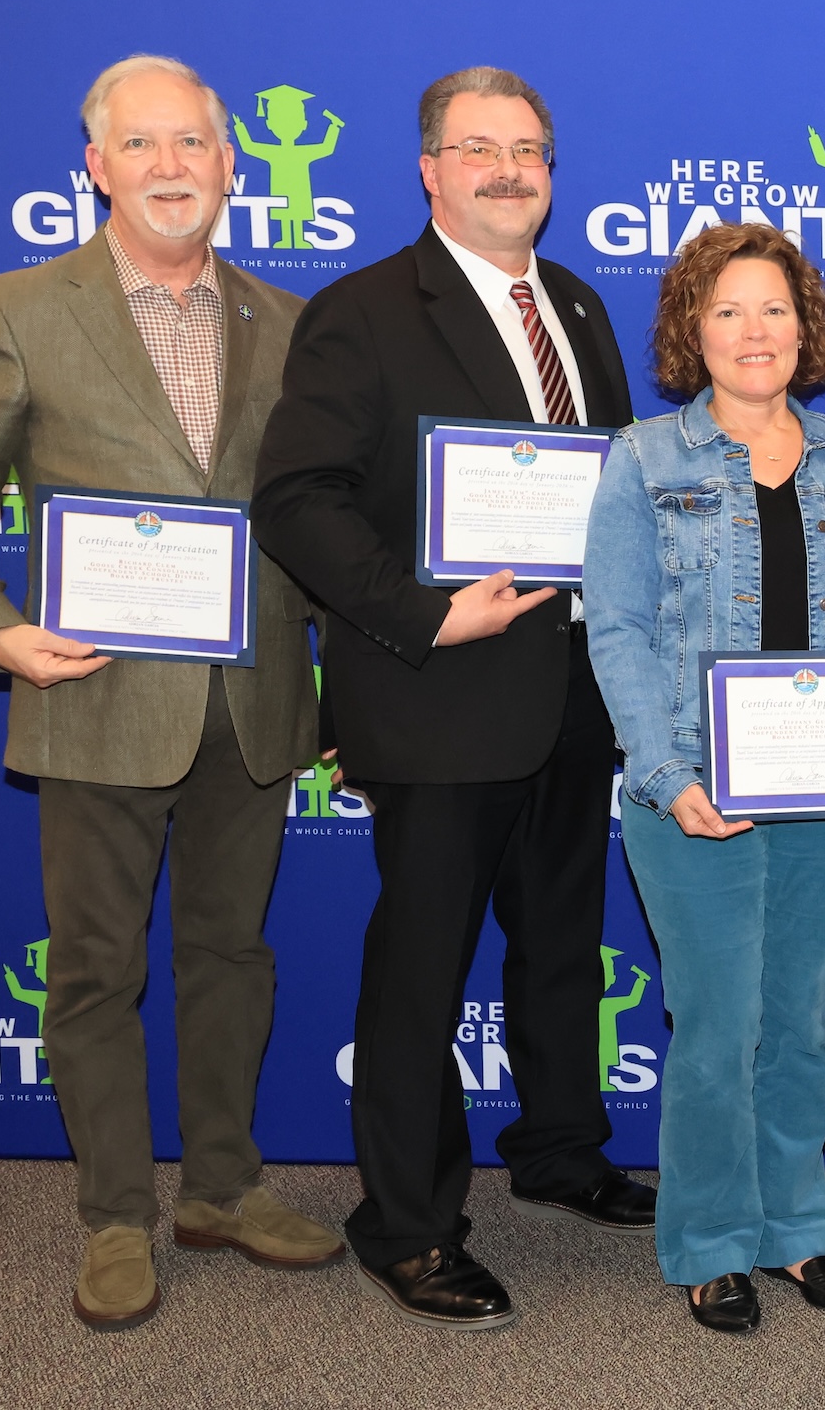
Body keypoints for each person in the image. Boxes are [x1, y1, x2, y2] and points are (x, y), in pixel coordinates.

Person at [0, 55, 343, 1330]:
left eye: (193, 145)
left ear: (228, 165)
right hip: (91, 696)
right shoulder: (18, 306)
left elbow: (316, 514)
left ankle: (221, 1186)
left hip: (254, 702)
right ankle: (113, 1215)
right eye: (142, 145)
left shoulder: (290, 318)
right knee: (94, 972)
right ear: (95, 164)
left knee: (232, 956)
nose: (170, 167)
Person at [252, 66, 648, 1330]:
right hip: (440, 689)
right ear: (429, 168)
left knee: (562, 950)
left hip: (575, 691)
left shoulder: (578, 306)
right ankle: (408, 1221)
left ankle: (561, 1151)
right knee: (423, 968)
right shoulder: (363, 312)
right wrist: (422, 610)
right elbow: (298, 496)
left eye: (529, 147)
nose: (508, 169)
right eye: (479, 148)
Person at [583, 223, 825, 1333]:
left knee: (801, 1022)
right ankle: (709, 1239)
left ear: (806, 326)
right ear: (692, 328)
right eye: (726, 309)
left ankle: (793, 1230)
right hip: (695, 793)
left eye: (774, 308)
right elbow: (619, 631)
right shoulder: (642, 458)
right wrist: (667, 769)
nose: (753, 330)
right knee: (719, 1026)